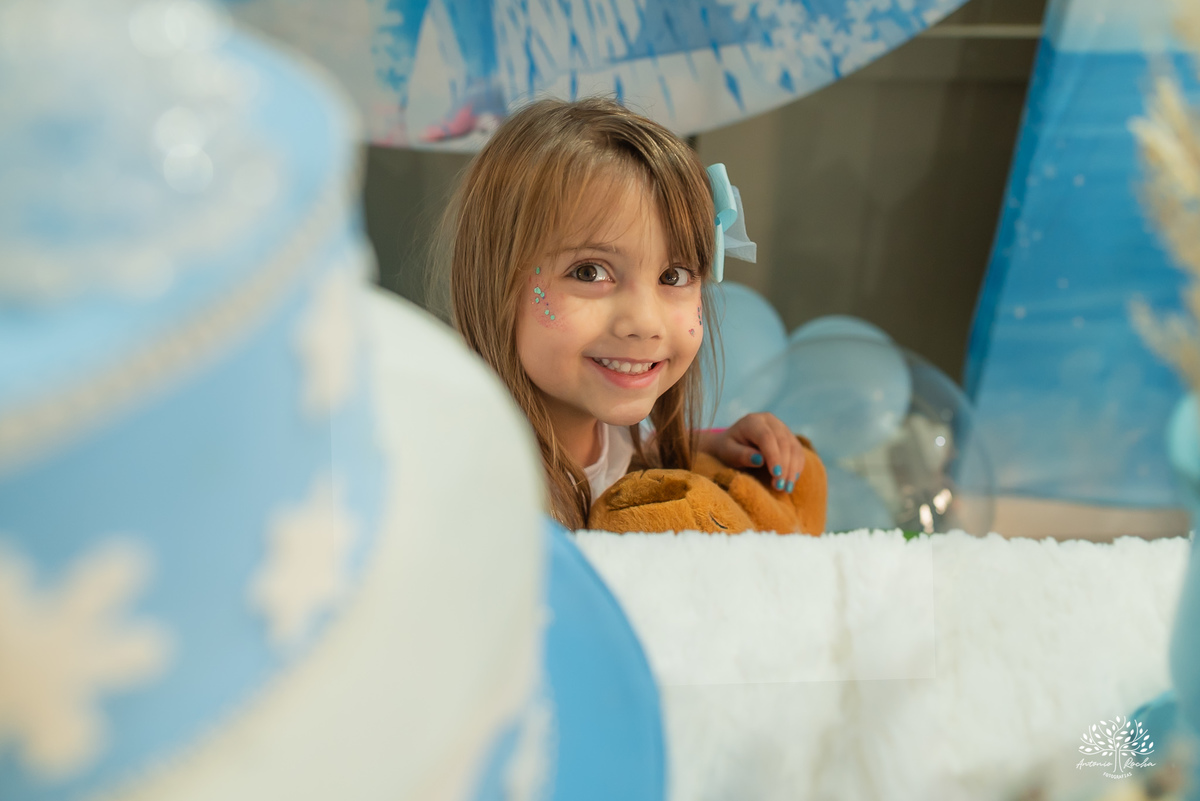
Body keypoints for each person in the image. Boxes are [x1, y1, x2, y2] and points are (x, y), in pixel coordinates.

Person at [432, 96, 807, 528]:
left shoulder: (611, 432)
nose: (644, 323)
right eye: (590, 272)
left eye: (674, 276)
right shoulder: (472, 492)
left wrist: (708, 448)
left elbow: (612, 465)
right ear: (493, 277)